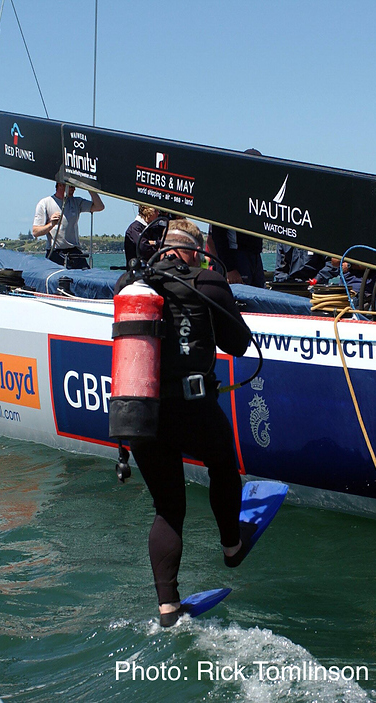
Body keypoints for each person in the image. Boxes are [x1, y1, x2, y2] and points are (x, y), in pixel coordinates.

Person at [114, 219, 254, 627]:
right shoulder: (207, 282)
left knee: (168, 507)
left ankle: (167, 607)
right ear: (195, 251)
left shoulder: (131, 283)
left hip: (140, 409)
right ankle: (232, 546)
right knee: (223, 465)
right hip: (193, 409)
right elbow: (239, 344)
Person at [208, 148, 266, 286]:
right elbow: (217, 234)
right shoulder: (229, 193)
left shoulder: (257, 193)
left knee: (259, 295)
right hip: (236, 256)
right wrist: (229, 268)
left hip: (255, 256)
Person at [32, 180, 105, 268]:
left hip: (74, 251)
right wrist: (51, 224)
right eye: (71, 186)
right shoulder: (45, 203)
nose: (74, 189)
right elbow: (35, 232)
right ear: (60, 185)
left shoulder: (76, 202)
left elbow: (99, 207)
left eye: (74, 187)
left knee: (87, 273)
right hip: (55, 252)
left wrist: (90, 189)